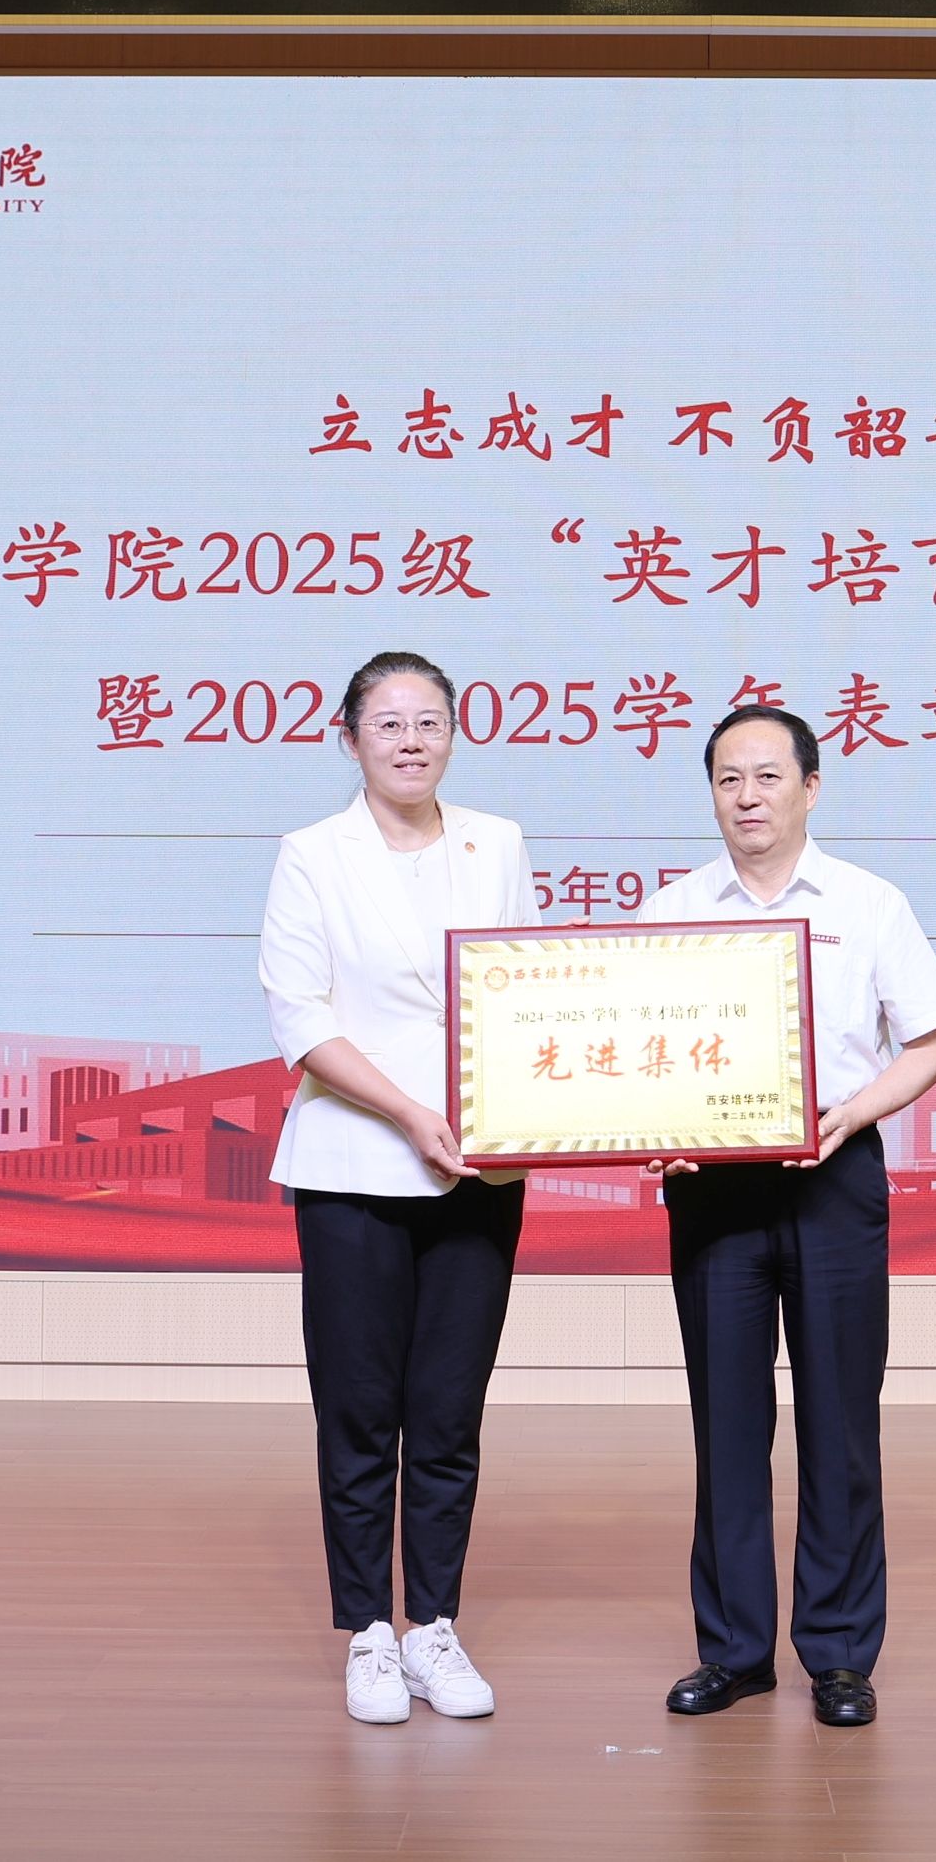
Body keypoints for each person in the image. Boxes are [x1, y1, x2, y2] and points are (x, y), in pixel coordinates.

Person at [637, 703, 936, 1729]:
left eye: (768, 776)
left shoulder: (868, 903)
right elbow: (632, 1053)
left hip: (834, 1180)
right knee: (726, 1425)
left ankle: (839, 1653)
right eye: (728, 779)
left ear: (810, 788)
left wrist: (851, 1114)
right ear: (711, 794)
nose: (748, 797)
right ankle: (734, 1651)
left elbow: (935, 1040)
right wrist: (649, 1126)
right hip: (713, 1191)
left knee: (840, 1422)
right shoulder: (670, 910)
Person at [257, 651, 535, 1727]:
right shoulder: (311, 854)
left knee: (449, 1411)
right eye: (388, 723)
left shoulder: (496, 842)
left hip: (480, 1162)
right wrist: (412, 1113)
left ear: (454, 733)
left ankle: (435, 1627)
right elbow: (301, 1018)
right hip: (355, 1163)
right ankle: (370, 1629)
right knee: (361, 1407)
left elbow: (523, 990)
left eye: (429, 721)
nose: (410, 741)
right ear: (350, 737)